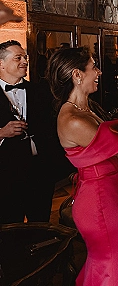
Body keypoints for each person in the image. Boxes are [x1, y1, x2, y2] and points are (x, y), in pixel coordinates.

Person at [46, 46, 118, 285]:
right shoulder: (73, 120)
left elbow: (102, 153)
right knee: (116, 266)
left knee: (114, 264)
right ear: (77, 75)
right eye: (93, 67)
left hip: (111, 193)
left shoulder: (85, 107)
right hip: (100, 204)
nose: (99, 72)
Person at [0, 40, 64, 224]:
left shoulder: (41, 91)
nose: (24, 62)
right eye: (18, 58)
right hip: (6, 175)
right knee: (10, 226)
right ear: (1, 63)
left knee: (41, 223)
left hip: (40, 172)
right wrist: (1, 132)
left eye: (25, 58)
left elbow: (54, 128)